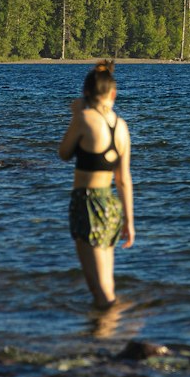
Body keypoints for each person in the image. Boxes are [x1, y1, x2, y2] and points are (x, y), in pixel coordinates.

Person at [58, 60, 134, 307]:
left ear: (86, 92)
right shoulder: (121, 126)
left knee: (99, 288)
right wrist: (129, 223)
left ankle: (112, 333)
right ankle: (103, 335)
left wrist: (75, 114)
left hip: (87, 203)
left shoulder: (84, 118)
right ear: (113, 93)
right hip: (111, 205)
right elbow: (124, 180)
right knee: (105, 284)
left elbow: (64, 153)